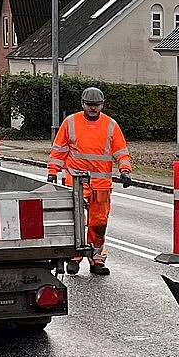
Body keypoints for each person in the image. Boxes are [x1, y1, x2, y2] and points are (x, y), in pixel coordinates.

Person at [46, 87, 133, 274]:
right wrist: (52, 172)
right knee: (76, 221)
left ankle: (96, 260)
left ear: (102, 105)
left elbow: (121, 151)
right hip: (76, 182)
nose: (93, 108)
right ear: (82, 104)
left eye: (96, 105)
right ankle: (74, 258)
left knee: (99, 223)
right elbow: (58, 150)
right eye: (90, 105)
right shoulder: (70, 123)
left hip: (101, 185)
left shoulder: (110, 125)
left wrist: (125, 170)